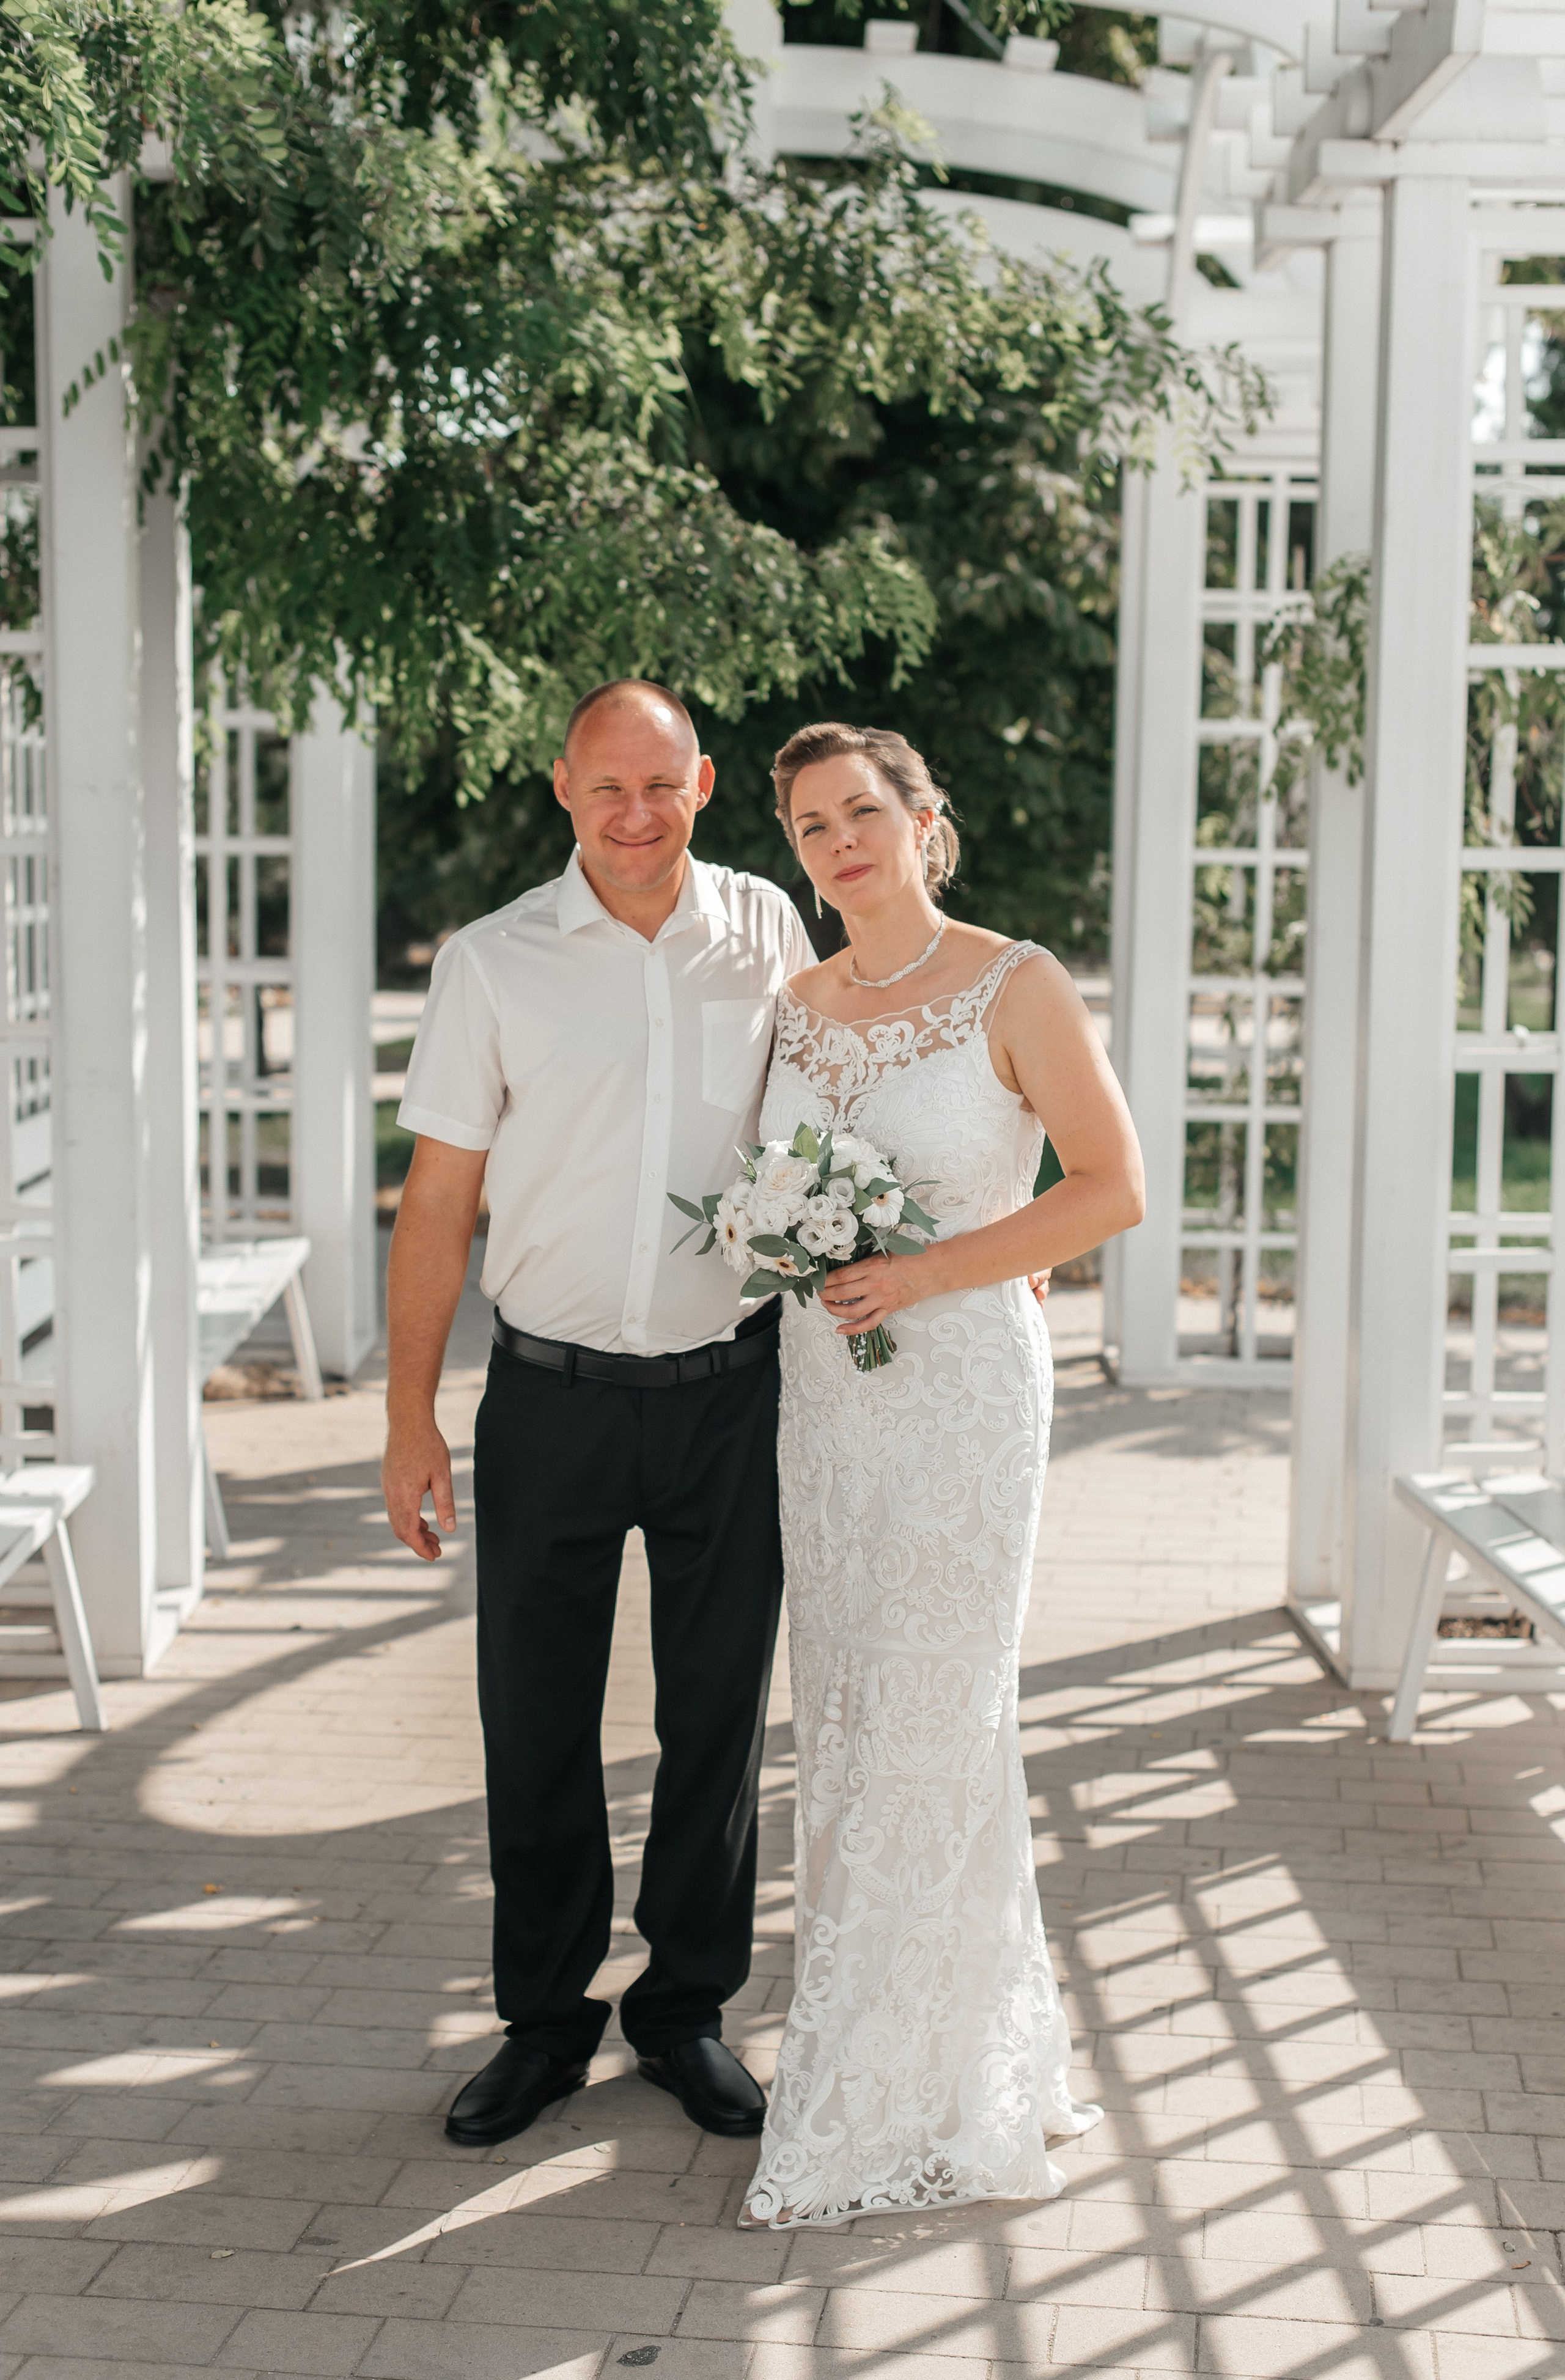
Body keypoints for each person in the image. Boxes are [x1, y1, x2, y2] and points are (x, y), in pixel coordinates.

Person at [380, 678, 811, 2149]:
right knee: (537, 1720)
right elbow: (436, 1204)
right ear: (562, 789)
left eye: (664, 789)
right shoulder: (492, 964)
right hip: (549, 1400)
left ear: (703, 789)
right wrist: (407, 1420)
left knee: (716, 1723)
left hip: (730, 1398)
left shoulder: (766, 932)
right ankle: (545, 2024)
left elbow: (832, 1127)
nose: (636, 818)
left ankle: (684, 2011)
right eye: (606, 789)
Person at [738, 721, 1144, 2231]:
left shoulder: (1012, 983)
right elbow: (763, 1188)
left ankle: (878, 2097)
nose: (838, 844)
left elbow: (1111, 1187)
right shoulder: (790, 1003)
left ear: (924, 822)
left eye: (861, 813)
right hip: (825, 1407)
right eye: (809, 827)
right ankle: (969, 2054)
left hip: (961, 1395)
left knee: (934, 1707)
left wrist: (932, 1276)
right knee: (851, 1717)